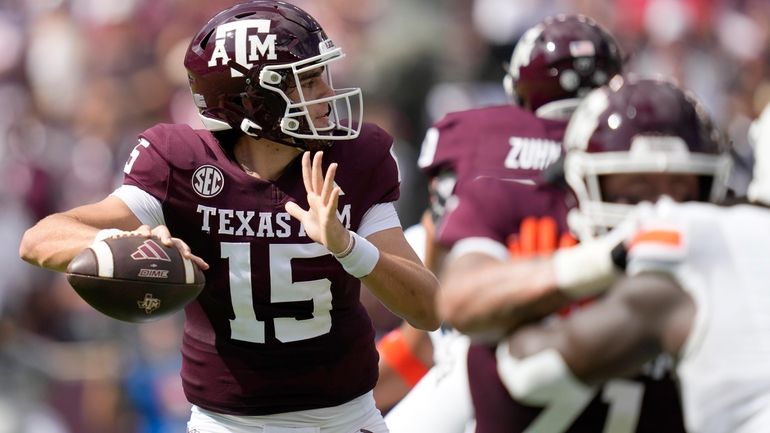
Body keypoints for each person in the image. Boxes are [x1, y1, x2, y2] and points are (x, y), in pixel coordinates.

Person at [18, 2, 440, 432]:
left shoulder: (352, 159)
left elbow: (428, 309)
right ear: (254, 101)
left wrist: (348, 247)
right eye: (308, 83)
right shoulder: (182, 164)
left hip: (344, 419)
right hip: (227, 424)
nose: (328, 96)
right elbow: (39, 239)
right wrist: (124, 242)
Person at [436, 75, 733, 432]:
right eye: (634, 190)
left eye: (681, 189)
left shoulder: (732, 244)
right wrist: (604, 260)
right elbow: (461, 301)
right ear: (579, 184)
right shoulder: (526, 211)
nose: (661, 209)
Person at [378, 14, 624, 433]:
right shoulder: (627, 150)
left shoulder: (476, 139)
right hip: (620, 349)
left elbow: (424, 333)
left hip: (482, 352)